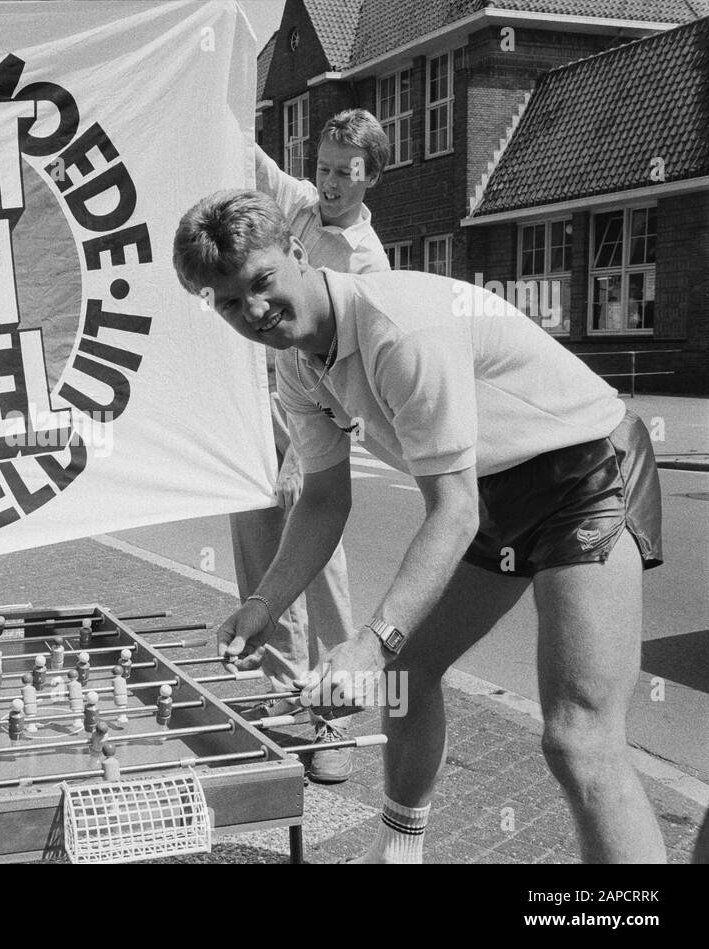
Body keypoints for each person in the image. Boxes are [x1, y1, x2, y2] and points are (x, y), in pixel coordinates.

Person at [174, 189, 666, 863]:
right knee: (409, 669)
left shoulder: (397, 330)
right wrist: (264, 604)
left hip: (586, 471)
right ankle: (398, 854)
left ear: (295, 253)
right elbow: (323, 500)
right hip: (496, 486)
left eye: (261, 283)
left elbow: (453, 511)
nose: (254, 311)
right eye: (229, 302)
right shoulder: (296, 363)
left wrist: (367, 644)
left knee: (578, 738)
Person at [229, 109, 391, 783]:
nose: (328, 184)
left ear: (371, 176)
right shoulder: (297, 206)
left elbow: (351, 382)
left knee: (318, 559)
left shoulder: (367, 264)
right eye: (322, 168)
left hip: (315, 407)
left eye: (344, 173)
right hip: (254, 399)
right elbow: (254, 163)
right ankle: (277, 694)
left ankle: (331, 715)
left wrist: (303, 448)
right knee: (255, 538)